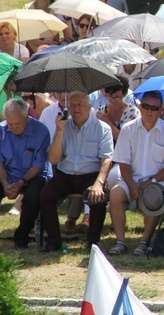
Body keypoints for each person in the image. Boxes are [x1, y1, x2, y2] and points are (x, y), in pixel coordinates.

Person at [39, 92, 113, 252]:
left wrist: (99, 182)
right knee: (46, 195)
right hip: (65, 174)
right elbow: (53, 159)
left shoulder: (102, 128)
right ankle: (54, 241)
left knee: (98, 197)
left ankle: (92, 242)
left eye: (80, 105)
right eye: (72, 105)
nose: (76, 108)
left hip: (90, 175)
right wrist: (59, 132)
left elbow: (107, 159)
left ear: (89, 107)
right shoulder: (64, 127)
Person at [107, 91, 164, 256]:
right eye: (146, 106)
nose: (149, 111)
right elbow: (123, 162)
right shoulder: (128, 129)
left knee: (153, 195)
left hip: (158, 179)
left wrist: (149, 182)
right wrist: (132, 185)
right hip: (131, 177)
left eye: (154, 108)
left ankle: (144, 242)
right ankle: (120, 241)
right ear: (139, 106)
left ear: (161, 111)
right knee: (115, 194)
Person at [0, 99, 51, 249]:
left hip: (33, 175)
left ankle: (22, 236)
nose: (14, 127)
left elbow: (39, 164)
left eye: (18, 124)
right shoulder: (1, 130)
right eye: (10, 124)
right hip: (7, 174)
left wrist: (21, 182)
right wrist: (4, 183)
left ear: (26, 118)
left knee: (34, 194)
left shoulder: (41, 131)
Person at [96, 78, 140, 144]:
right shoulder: (101, 111)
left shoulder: (132, 112)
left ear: (124, 94)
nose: (112, 100)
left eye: (116, 97)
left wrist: (107, 121)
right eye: (109, 96)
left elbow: (125, 140)